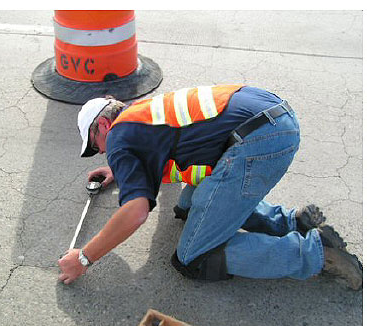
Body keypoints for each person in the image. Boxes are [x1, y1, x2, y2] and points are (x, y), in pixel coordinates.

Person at [58, 84, 363, 290]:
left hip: (257, 144)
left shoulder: (119, 138)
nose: (101, 151)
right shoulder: (141, 112)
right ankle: (294, 222)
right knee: (188, 206)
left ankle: (316, 253)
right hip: (274, 118)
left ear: (103, 126)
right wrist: (121, 171)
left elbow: (136, 212)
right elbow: (160, 151)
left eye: (96, 145)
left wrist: (84, 258)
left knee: (193, 257)